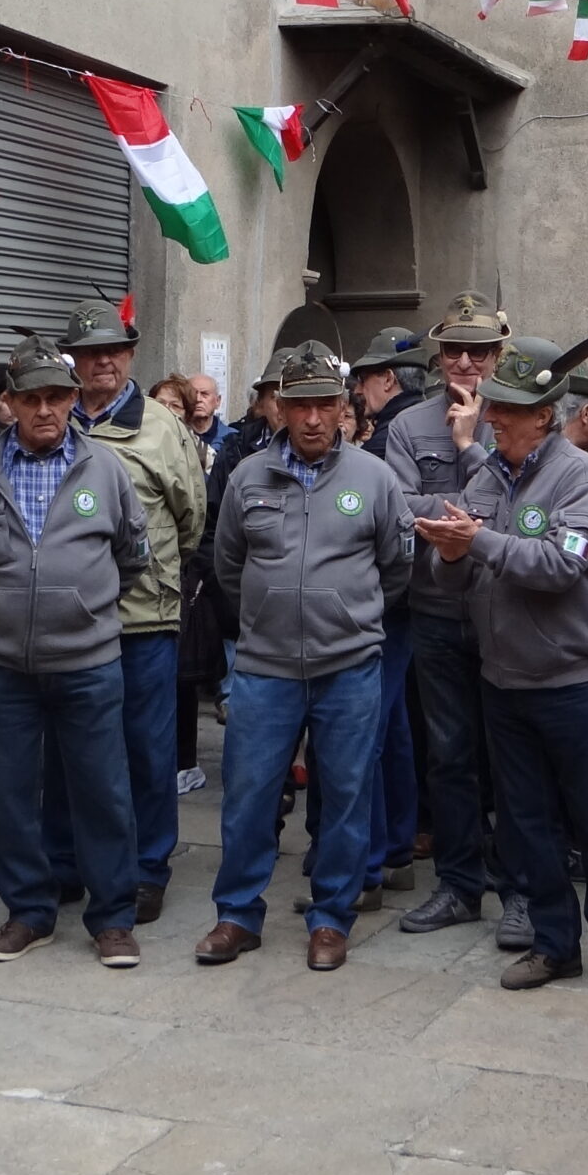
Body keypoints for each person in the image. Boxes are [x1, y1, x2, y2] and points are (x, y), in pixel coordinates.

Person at [418, 333, 588, 1000]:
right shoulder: (485, 475)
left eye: (507, 410)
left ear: (543, 416)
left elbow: (559, 567)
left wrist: (477, 541)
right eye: (493, 408)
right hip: (503, 680)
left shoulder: (584, 477)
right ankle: (553, 945)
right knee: (524, 823)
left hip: (575, 683)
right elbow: (452, 577)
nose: (491, 417)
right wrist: (453, 555)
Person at [201, 342, 415, 970]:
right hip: (265, 668)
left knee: (347, 795)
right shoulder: (247, 479)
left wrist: (346, 614)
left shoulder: (375, 480)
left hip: (349, 666)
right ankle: (237, 915)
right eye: (301, 406)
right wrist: (269, 619)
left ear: (344, 408)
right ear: (280, 411)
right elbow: (229, 567)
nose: (314, 418)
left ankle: (331, 918)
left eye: (326, 404)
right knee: (248, 796)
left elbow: (395, 568)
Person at [0, 336, 150, 967]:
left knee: (103, 791)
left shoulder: (106, 470)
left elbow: (132, 557)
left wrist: (81, 606)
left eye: (58, 397)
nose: (45, 410)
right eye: (31, 398)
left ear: (73, 401)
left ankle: (113, 918)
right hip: (2, 668)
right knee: (6, 794)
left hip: (88, 663)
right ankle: (28, 912)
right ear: (9, 404)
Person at [44, 299, 208, 924]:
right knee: (64, 750)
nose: (102, 361)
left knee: (145, 747)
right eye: (89, 352)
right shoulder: (52, 416)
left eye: (113, 350)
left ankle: (146, 869)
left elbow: (190, 519)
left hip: (143, 619)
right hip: (67, 620)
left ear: (131, 354)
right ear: (74, 361)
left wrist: (153, 576)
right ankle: (63, 863)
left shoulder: (162, 427)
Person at [391, 293, 522, 946]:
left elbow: (525, 515)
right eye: (454, 351)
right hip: (439, 611)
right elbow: (398, 508)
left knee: (514, 755)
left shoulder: (517, 419)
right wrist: (474, 512)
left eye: (479, 352)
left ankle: (522, 889)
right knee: (448, 754)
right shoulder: (409, 426)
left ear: (500, 356)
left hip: (509, 613)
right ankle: (459, 885)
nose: (465, 363)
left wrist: (472, 449)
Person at [351, 328, 430, 898]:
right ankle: (397, 847)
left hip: (384, 602)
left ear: (387, 380)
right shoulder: (412, 424)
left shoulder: (387, 438)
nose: (356, 392)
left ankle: (369, 864)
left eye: (362, 379)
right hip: (409, 600)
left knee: (368, 733)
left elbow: (395, 526)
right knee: (395, 726)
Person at [187, 372, 233, 456]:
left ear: (217, 401)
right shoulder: (177, 436)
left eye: (204, 394)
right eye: (192, 394)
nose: (198, 399)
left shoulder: (233, 439)